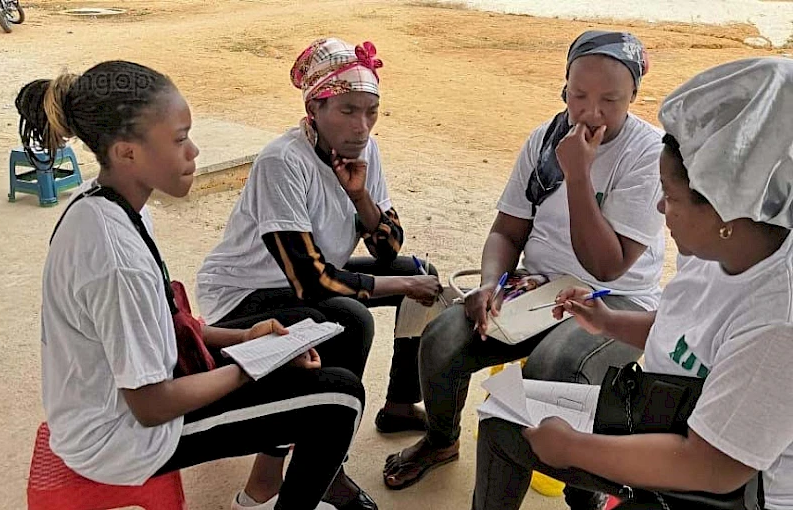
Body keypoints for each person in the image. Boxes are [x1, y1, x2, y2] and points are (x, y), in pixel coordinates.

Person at [29, 61, 367, 510]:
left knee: (315, 323)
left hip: (118, 404)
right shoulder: (115, 258)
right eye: (178, 139)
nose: (194, 152)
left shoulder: (106, 203)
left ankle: (262, 495)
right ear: (127, 152)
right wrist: (252, 367)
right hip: (120, 438)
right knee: (338, 400)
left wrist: (246, 338)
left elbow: (166, 319)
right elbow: (151, 404)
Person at [473, 56, 793, 510]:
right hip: (668, 412)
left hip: (721, 483)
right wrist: (607, 321)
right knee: (503, 421)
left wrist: (572, 449)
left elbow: (713, 467)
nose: (661, 208)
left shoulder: (779, 319)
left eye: (673, 197)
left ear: (726, 212)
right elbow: (685, 332)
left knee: (529, 429)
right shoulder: (720, 250)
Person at [384, 31, 666, 509]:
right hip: (537, 289)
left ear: (634, 96)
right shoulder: (545, 138)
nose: (591, 112)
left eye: (610, 100)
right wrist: (492, 284)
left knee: (554, 367)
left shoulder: (649, 154)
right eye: (579, 96)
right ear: (564, 88)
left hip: (613, 297)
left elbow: (608, 266)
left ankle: (585, 487)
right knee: (445, 339)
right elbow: (506, 231)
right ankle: (441, 439)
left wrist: (579, 174)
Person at [195, 38, 441, 439]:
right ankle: (326, 436)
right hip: (246, 293)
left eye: (371, 112)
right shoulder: (283, 161)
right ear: (314, 109)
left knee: (420, 270)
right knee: (351, 317)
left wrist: (360, 197)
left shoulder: (366, 150)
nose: (361, 126)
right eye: (347, 111)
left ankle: (399, 403)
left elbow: (387, 248)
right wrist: (404, 285)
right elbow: (310, 280)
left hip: (310, 277)